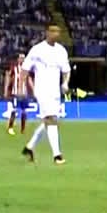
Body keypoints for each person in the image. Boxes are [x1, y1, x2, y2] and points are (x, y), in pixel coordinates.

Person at [21, 24, 70, 164]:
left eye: (58, 31)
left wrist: (65, 83)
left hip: (55, 90)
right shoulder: (37, 50)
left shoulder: (61, 51)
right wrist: (22, 87)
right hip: (42, 90)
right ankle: (57, 155)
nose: (56, 34)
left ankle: (29, 147)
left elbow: (66, 69)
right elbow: (25, 69)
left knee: (49, 121)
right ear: (47, 33)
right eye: (53, 31)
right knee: (51, 119)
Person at [4, 53, 32, 135]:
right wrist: (6, 90)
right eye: (21, 58)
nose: (22, 59)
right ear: (18, 59)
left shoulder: (26, 69)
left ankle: (23, 130)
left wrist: (33, 90)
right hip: (16, 93)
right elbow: (8, 77)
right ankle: (10, 127)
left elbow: (29, 79)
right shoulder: (14, 68)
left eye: (24, 58)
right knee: (15, 110)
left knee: (24, 112)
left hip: (24, 93)